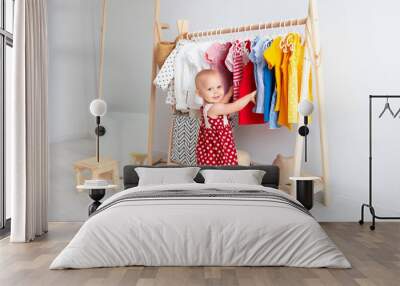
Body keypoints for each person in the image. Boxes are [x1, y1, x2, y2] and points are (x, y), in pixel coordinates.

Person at [195, 69, 256, 165]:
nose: (216, 92)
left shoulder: (208, 106)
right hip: (220, 149)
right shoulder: (215, 108)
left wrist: (228, 94)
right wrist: (249, 97)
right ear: (199, 93)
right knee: (224, 166)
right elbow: (235, 107)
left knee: (215, 166)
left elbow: (221, 103)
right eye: (210, 89)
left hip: (214, 149)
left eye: (219, 87)